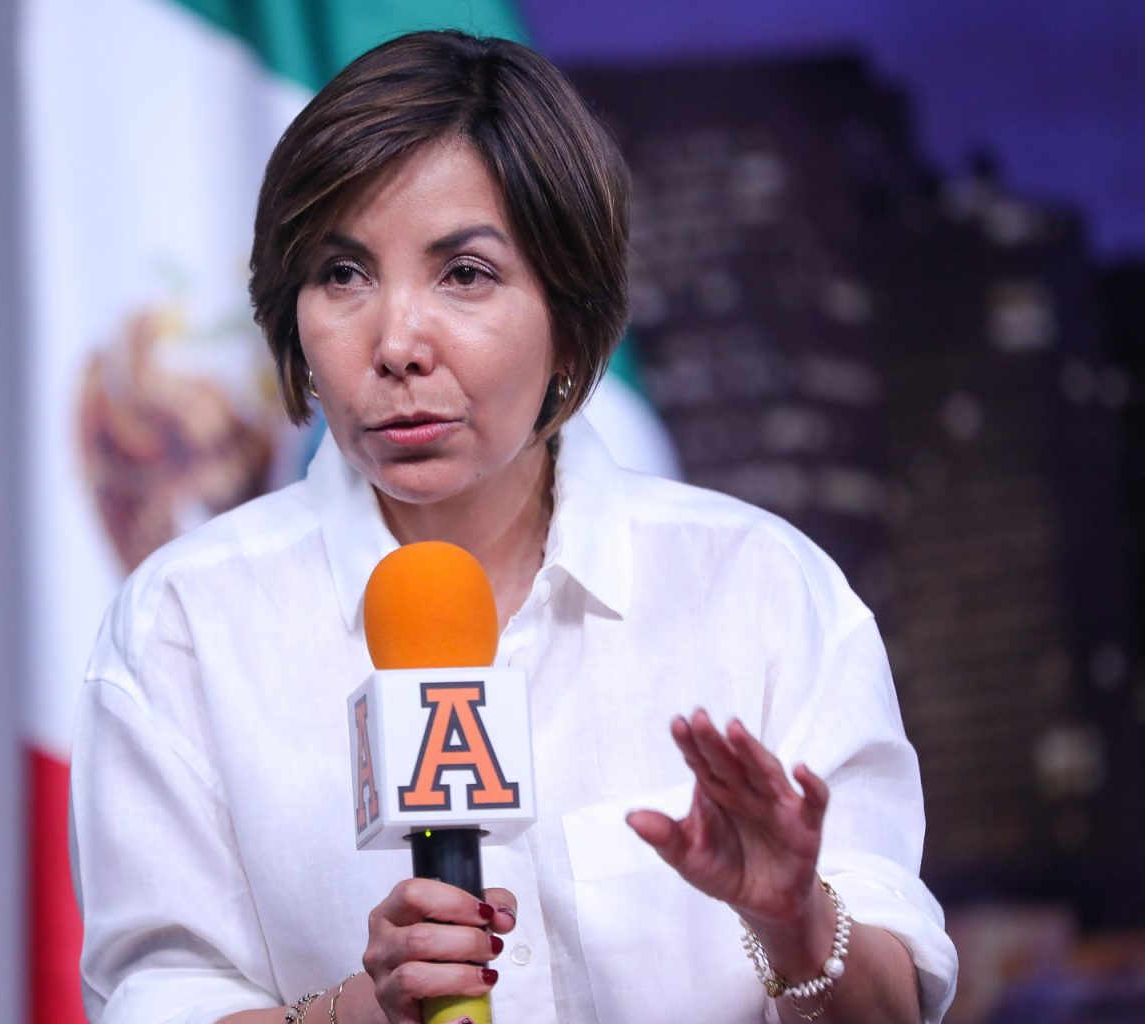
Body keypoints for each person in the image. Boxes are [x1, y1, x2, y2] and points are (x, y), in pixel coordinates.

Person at [70, 30, 958, 1024]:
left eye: (465, 275)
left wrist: (794, 918)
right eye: (341, 274)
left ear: (569, 316)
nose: (398, 342)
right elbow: (156, 998)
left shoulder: (761, 591)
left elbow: (893, 1013)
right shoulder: (184, 623)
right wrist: (363, 1012)